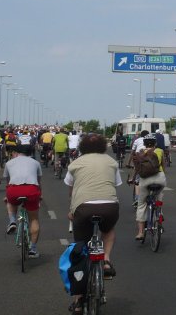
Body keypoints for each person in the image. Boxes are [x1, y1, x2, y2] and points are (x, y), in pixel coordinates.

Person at [65, 133, 121, 314]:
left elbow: (71, 190)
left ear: (82, 147)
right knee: (108, 230)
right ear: (104, 146)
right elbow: (115, 183)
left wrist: (72, 210)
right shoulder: (112, 162)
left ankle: (78, 300)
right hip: (109, 207)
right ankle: (105, 260)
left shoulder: (75, 164)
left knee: (80, 248)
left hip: (83, 207)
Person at [4, 143, 42, 257]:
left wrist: (8, 195)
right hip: (31, 189)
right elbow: (39, 182)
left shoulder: (9, 163)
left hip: (14, 190)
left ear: (16, 152)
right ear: (30, 153)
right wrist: (40, 195)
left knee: (10, 202)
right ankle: (33, 249)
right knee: (34, 219)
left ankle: (12, 221)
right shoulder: (36, 163)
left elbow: (8, 181)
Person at [134, 134, 165, 241]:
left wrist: (133, 179)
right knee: (159, 195)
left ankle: (141, 232)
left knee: (141, 204)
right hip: (160, 178)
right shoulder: (160, 151)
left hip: (145, 180)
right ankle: (160, 214)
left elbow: (137, 169)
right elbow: (163, 166)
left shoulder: (140, 153)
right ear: (155, 143)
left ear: (144, 144)